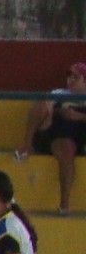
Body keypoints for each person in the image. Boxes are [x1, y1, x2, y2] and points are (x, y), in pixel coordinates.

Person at [17, 62, 86, 214]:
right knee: (42, 102)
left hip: (75, 137)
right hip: (52, 132)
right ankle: (26, 145)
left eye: (76, 77)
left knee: (67, 149)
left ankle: (64, 205)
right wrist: (59, 112)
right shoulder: (59, 93)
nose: (70, 80)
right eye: (69, 76)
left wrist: (78, 116)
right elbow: (46, 108)